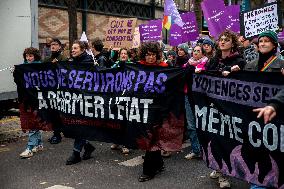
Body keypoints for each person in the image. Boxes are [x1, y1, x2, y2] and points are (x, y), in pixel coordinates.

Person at [206, 30, 246, 189]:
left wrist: (237, 71)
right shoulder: (213, 60)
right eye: (221, 40)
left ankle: (222, 170)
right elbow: (207, 76)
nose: (222, 42)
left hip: (230, 107)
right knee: (214, 137)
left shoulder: (239, 61)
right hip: (214, 104)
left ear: (232, 43)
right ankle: (219, 170)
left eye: (226, 40)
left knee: (226, 138)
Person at [244, 30, 284, 189]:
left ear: (274, 44)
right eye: (260, 41)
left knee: (274, 153)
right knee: (256, 152)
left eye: (267, 41)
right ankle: (257, 181)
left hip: (276, 117)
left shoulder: (281, 65)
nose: (262, 44)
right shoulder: (251, 65)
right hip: (254, 116)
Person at [137, 41, 168, 182]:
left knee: (152, 137)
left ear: (157, 55)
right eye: (148, 55)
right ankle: (159, 163)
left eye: (153, 55)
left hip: (159, 109)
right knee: (150, 136)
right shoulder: (138, 68)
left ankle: (148, 170)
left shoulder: (164, 68)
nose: (150, 57)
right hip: (143, 107)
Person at [65, 40, 95, 165]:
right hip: (75, 99)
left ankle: (76, 153)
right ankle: (88, 146)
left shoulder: (88, 62)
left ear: (82, 50)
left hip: (86, 100)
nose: (73, 50)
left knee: (80, 125)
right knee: (76, 125)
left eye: (75, 48)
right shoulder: (72, 62)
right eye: (72, 48)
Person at [183, 44, 208, 160]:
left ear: (203, 53)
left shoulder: (207, 64)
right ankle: (196, 150)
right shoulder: (187, 65)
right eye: (194, 51)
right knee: (191, 124)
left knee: (203, 124)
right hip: (188, 96)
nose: (196, 53)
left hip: (201, 98)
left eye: (198, 51)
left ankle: (206, 150)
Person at [20, 47, 43, 158]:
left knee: (32, 122)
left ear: (35, 56)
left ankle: (30, 148)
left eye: (30, 56)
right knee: (34, 121)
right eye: (27, 56)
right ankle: (38, 144)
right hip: (27, 98)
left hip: (36, 98)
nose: (28, 58)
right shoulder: (24, 67)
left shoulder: (39, 67)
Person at [43, 38, 68, 144]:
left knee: (59, 113)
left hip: (60, 91)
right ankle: (56, 133)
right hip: (50, 90)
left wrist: (58, 65)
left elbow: (67, 72)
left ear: (59, 46)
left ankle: (58, 134)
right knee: (52, 113)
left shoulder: (63, 58)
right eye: (51, 44)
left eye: (55, 44)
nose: (52, 46)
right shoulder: (47, 60)